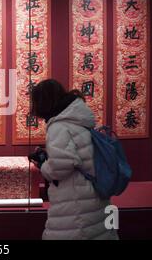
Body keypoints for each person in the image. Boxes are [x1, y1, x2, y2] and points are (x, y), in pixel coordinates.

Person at [30, 79, 118, 240]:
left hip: (74, 201)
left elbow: (62, 166)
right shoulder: (78, 120)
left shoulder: (59, 125)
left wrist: (43, 165)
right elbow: (75, 156)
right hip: (92, 195)